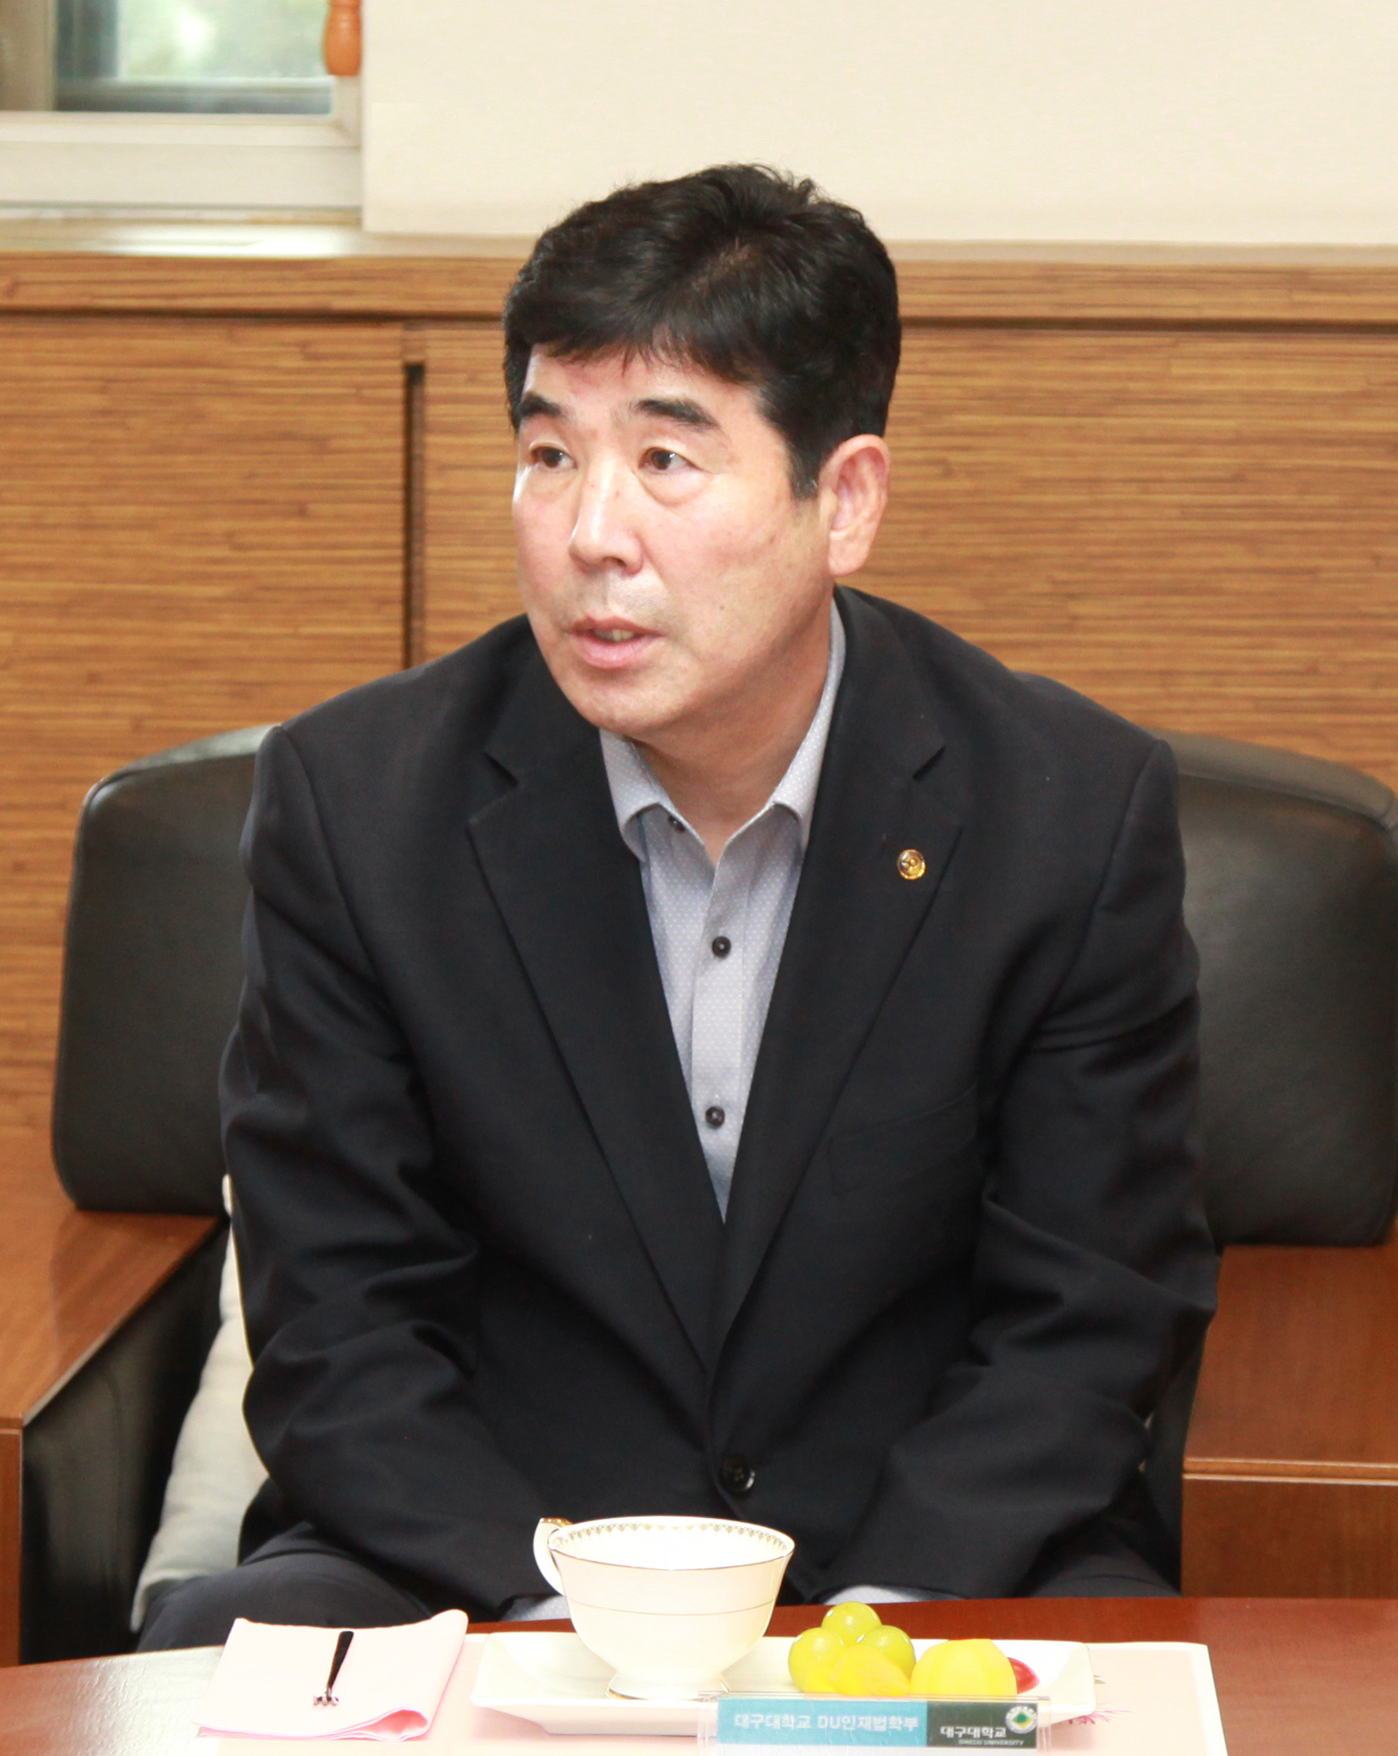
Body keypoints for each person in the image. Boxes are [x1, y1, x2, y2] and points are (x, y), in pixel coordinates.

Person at [141, 164, 1216, 1650]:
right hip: (478, 1561)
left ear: (844, 501)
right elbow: (341, 1323)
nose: (593, 532)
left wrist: (859, 1639)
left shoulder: (1064, 812)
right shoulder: (359, 806)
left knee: (1137, 1710)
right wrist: (558, 1615)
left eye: (664, 459)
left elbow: (1088, 1313)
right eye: (549, 454)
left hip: (933, 1559)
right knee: (223, 1671)